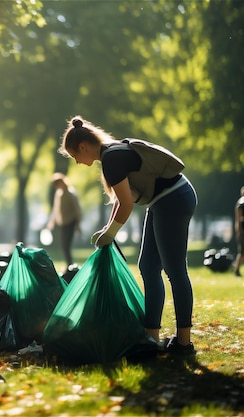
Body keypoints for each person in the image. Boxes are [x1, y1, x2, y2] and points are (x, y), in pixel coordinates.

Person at [59, 115, 198, 355]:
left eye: (75, 157)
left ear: (83, 147)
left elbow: (126, 204)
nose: (78, 162)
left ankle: (184, 342)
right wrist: (107, 230)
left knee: (175, 271)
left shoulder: (112, 158)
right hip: (161, 201)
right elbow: (123, 198)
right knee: (148, 267)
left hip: (174, 199)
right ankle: (151, 338)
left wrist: (111, 233)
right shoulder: (110, 154)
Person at [45, 172, 82, 270]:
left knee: (66, 245)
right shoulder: (58, 194)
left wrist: (78, 224)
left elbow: (77, 209)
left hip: (70, 222)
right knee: (64, 246)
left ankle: (69, 266)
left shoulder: (71, 193)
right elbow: (55, 209)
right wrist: (51, 222)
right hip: (63, 223)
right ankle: (68, 265)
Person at [233, 185, 244, 277]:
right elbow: (238, 219)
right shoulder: (241, 205)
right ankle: (237, 269)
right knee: (243, 252)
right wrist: (239, 231)